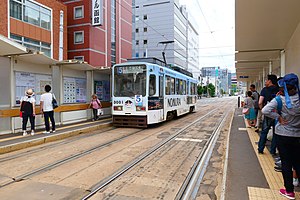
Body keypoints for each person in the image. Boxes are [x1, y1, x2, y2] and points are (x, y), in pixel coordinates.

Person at [261, 73, 300, 199]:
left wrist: (278, 117)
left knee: (286, 163)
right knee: (298, 163)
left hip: (283, 135)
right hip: (297, 136)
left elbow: (265, 110)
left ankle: (289, 191)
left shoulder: (279, 99)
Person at [257, 74, 279, 155]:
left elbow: (260, 102)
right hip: (277, 114)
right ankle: (273, 151)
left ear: (270, 81)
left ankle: (260, 149)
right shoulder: (278, 89)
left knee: (264, 132)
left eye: (266, 80)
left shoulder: (265, 90)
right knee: (275, 133)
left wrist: (263, 110)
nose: (265, 81)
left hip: (268, 114)